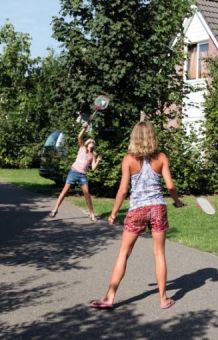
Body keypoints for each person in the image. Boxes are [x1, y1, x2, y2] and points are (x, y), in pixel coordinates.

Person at [90, 121, 184, 310]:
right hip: (158, 207)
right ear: (152, 137)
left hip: (137, 210)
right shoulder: (162, 157)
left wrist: (114, 213)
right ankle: (163, 299)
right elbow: (171, 186)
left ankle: (109, 298)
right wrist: (177, 201)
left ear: (134, 137)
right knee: (159, 253)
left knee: (123, 253)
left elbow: (123, 190)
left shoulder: (128, 159)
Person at [49, 122, 101, 221]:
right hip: (73, 172)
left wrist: (97, 161)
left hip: (82, 176)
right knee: (64, 192)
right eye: (91, 142)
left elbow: (93, 168)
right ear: (87, 143)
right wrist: (84, 128)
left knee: (87, 195)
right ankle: (55, 210)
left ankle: (92, 214)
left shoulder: (92, 155)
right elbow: (79, 136)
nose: (92, 143)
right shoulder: (82, 148)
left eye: (93, 143)